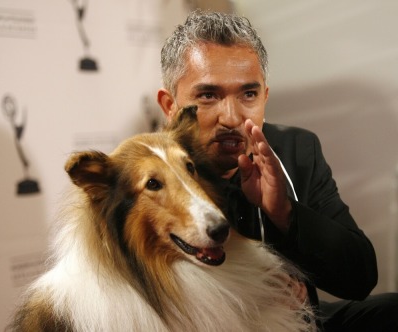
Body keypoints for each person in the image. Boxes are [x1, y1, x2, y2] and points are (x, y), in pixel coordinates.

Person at [157, 10, 398, 332]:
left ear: (265, 97)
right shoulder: (152, 177)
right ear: (169, 106)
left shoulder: (295, 150)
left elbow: (359, 280)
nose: (230, 117)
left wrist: (284, 212)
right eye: (208, 96)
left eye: (248, 94)